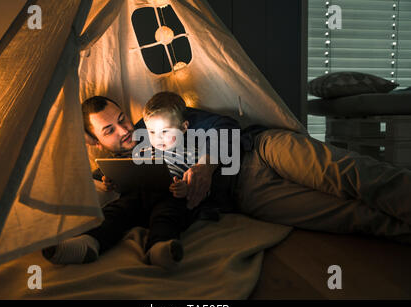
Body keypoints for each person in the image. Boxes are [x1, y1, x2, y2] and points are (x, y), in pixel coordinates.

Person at [42, 91, 411, 266]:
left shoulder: (155, 122)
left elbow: (224, 125)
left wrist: (206, 164)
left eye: (122, 118)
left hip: (259, 149)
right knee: (349, 216)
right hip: (247, 193)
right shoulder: (122, 171)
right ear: (94, 141)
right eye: (110, 129)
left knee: (352, 174)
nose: (125, 129)